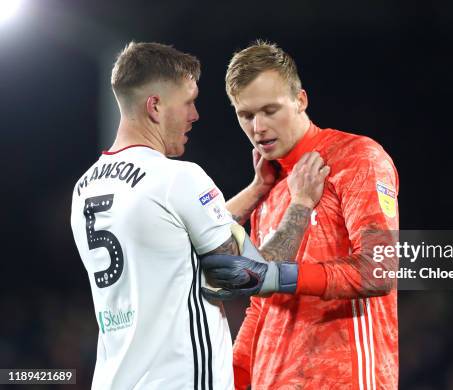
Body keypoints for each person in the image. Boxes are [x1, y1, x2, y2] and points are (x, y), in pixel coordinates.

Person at [70, 41, 328, 390]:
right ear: (155, 106)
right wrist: (300, 203)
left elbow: (178, 235)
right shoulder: (178, 177)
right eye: (188, 102)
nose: (195, 115)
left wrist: (255, 191)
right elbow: (251, 277)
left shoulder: (85, 188)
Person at [204, 40, 400, 389]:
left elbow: (379, 269)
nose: (258, 127)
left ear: (300, 100)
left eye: (270, 110)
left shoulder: (357, 158)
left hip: (343, 378)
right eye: (246, 115)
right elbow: (262, 308)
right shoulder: (269, 187)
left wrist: (280, 275)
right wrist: (231, 379)